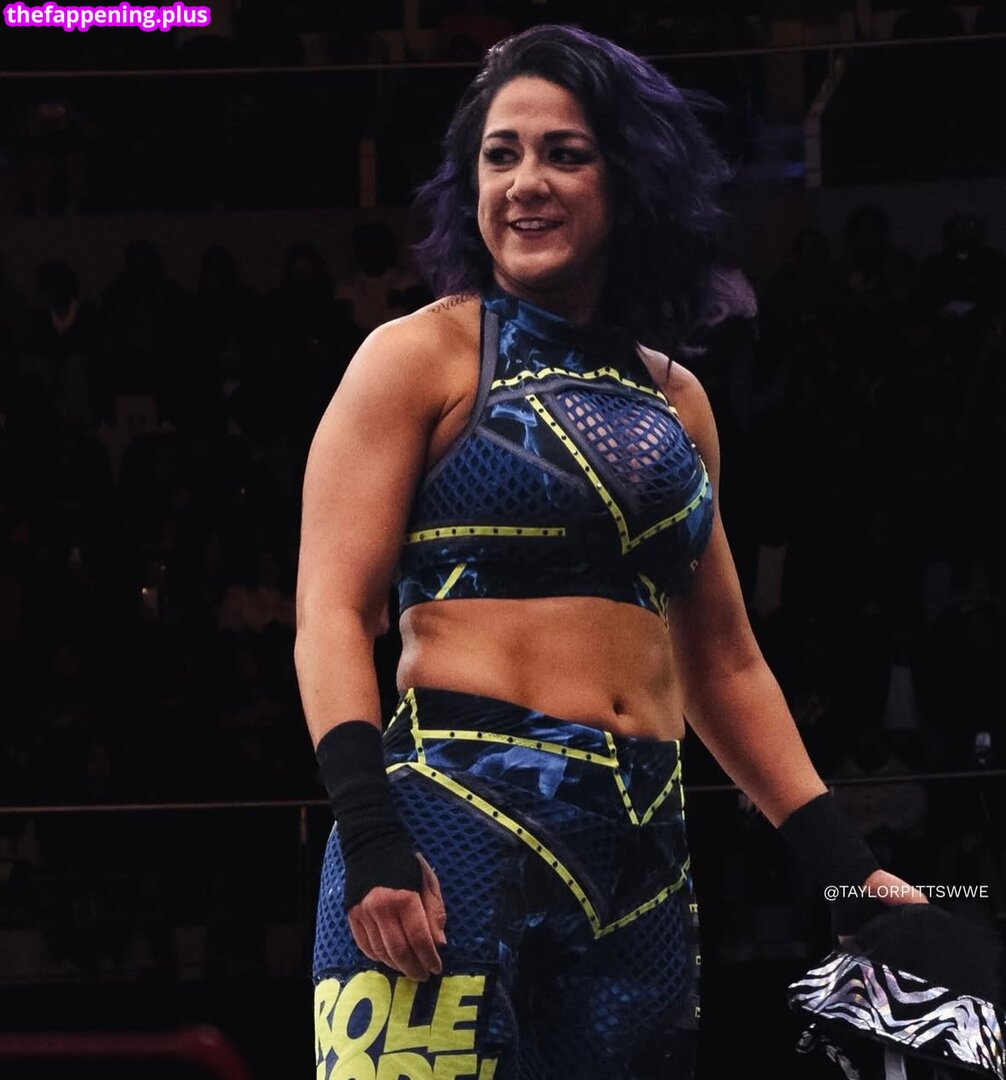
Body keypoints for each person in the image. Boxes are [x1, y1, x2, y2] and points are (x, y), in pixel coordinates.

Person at [295, 24, 926, 1080]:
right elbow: (331, 612)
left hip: (641, 859)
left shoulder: (678, 401)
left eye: (564, 154)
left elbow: (723, 663)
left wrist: (842, 868)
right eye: (500, 155)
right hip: (449, 827)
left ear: (627, 182)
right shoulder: (417, 356)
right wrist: (368, 832)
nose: (525, 184)